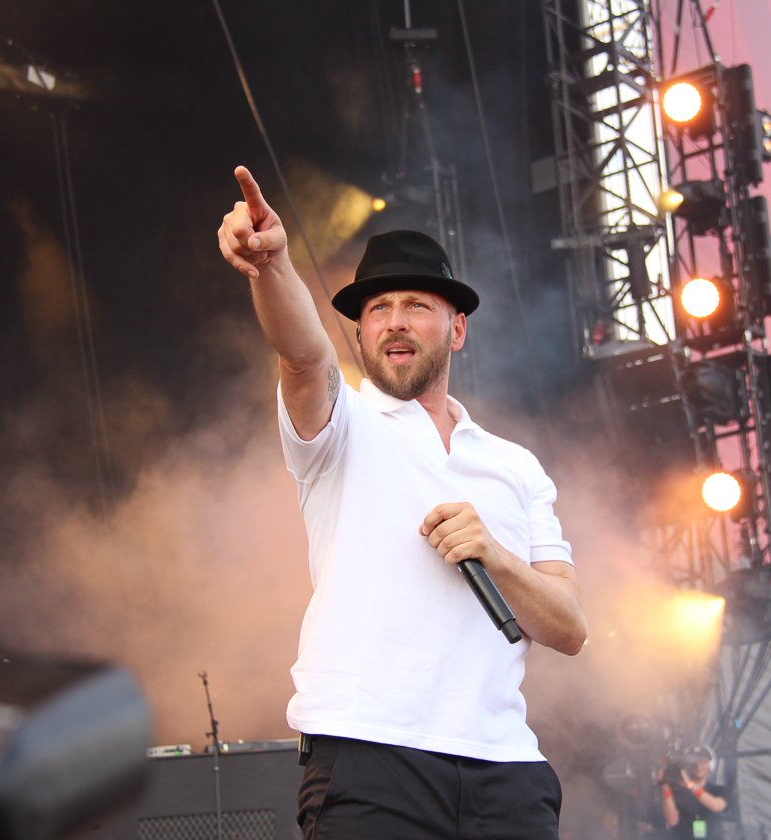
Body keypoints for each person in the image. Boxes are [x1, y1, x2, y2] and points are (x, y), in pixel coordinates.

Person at [217, 165, 587, 840]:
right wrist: (270, 268)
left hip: (507, 771)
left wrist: (495, 558)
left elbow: (569, 627)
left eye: (416, 304)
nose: (393, 321)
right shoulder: (342, 426)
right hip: (370, 759)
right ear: (358, 335)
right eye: (376, 309)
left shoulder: (514, 465)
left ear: (458, 330)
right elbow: (301, 355)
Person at [660, 745, 729, 840]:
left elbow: (716, 806)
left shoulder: (718, 790)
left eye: (703, 762)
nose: (698, 766)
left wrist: (690, 785)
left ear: (711, 764)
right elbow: (672, 821)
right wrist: (665, 785)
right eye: (693, 762)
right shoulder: (677, 791)